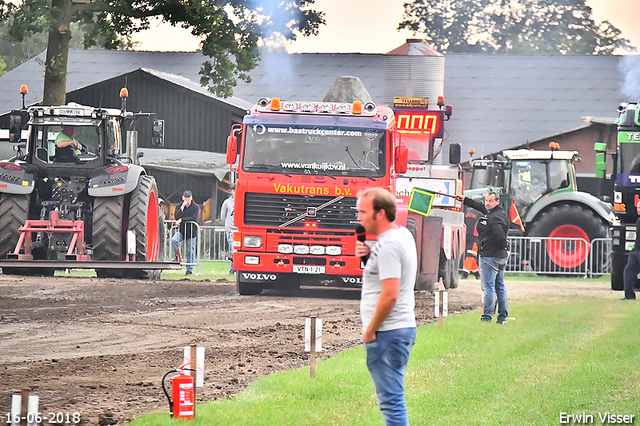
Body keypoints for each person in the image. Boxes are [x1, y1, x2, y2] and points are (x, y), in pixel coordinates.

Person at [355, 187, 418, 426]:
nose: (358, 217)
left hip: (387, 333)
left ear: (380, 213)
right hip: (396, 331)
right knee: (392, 399)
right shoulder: (399, 236)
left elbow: (390, 294)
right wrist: (369, 255)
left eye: (363, 211)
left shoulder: (390, 245)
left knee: (391, 403)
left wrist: (371, 329)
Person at [455, 191, 509, 324]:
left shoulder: (494, 218)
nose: (487, 203)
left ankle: (487, 317)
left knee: (488, 287)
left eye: (490, 201)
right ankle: (502, 317)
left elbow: (500, 235)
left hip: (490, 256)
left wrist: (499, 246)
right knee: (500, 287)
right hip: (501, 256)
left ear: (497, 201)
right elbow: (479, 206)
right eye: (486, 200)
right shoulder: (499, 213)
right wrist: (465, 200)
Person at [171, 190, 200, 275]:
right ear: (183, 198)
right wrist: (182, 208)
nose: (187, 199)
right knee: (174, 240)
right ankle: (178, 257)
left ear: (191, 198)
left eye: (188, 197)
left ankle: (189, 269)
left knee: (190, 251)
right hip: (182, 231)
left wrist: (182, 220)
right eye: (185, 197)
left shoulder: (195, 207)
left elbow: (194, 218)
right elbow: (176, 216)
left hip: (191, 232)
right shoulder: (179, 206)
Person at [622, 201, 640, 300]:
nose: (638, 210)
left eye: (639, 208)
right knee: (628, 272)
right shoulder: (638, 221)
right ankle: (629, 295)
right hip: (636, 250)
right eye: (637, 208)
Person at [220, 184, 237, 274]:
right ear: (232, 191)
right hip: (231, 229)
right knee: (234, 250)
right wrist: (226, 225)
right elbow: (223, 215)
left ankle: (234, 269)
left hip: (239, 229)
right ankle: (233, 270)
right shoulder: (227, 202)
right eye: (234, 190)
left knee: (237, 251)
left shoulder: (242, 201)